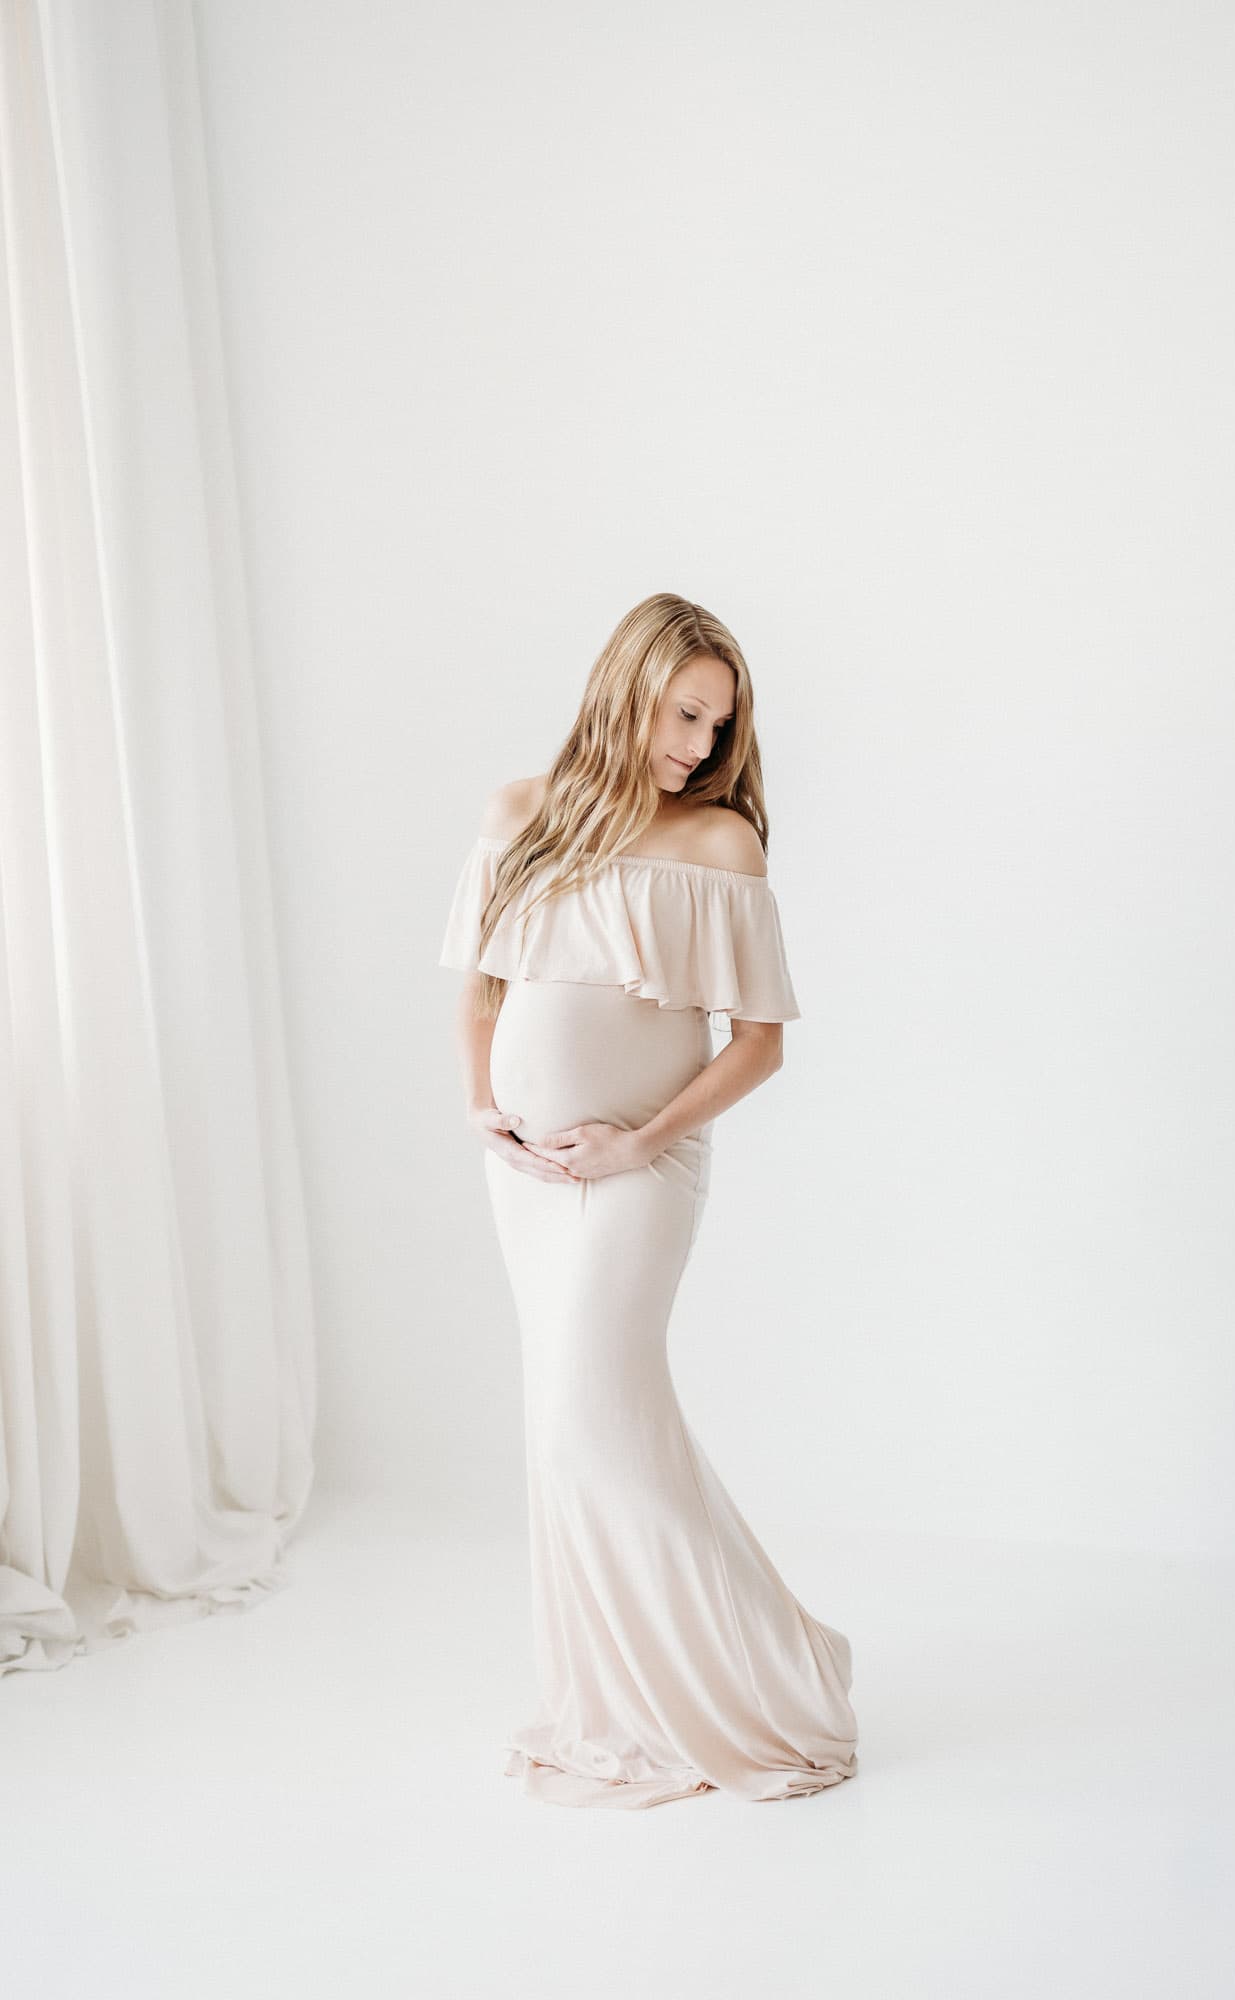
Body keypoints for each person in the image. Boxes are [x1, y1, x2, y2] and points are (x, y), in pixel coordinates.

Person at [439, 591, 858, 1808]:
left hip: (642, 1170)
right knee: (563, 1432)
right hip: (522, 1172)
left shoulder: (721, 844)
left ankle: (779, 1669)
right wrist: (483, 1103)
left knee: (592, 1414)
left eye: (716, 728)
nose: (696, 747)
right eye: (684, 714)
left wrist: (641, 1141)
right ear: (626, 685)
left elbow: (760, 1043)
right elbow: (479, 991)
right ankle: (617, 1698)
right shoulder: (518, 814)